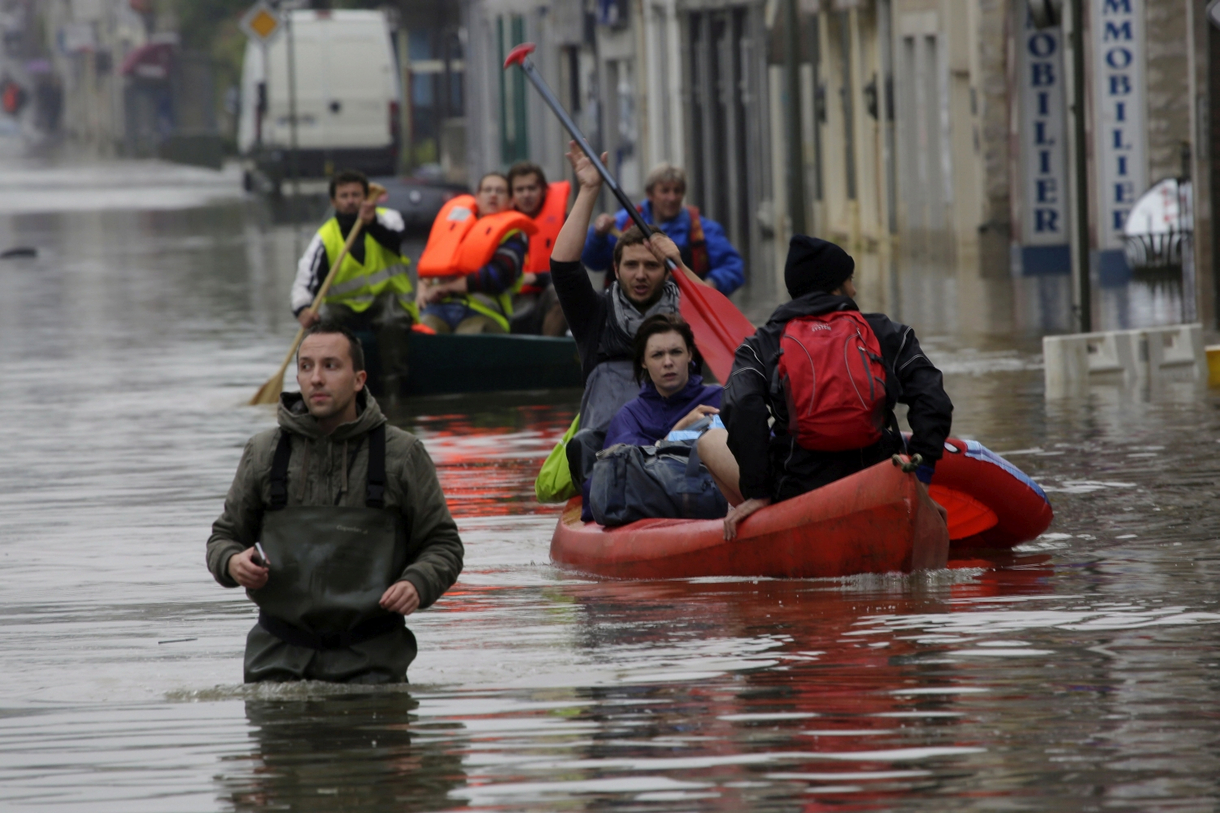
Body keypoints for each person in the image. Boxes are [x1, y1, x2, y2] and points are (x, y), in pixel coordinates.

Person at [207, 322, 464, 683]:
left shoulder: (403, 454)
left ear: (359, 379)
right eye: (306, 367)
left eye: (331, 365)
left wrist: (418, 582)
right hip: (275, 661)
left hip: (374, 663)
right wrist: (232, 562)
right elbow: (223, 539)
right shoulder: (262, 452)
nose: (316, 378)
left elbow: (443, 545)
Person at [697, 235, 954, 540]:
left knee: (709, 440)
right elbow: (933, 399)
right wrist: (921, 479)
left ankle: (761, 525)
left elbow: (740, 407)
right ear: (837, 285)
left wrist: (759, 491)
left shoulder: (761, 343)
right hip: (883, 481)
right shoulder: (886, 332)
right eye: (850, 280)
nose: (855, 290)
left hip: (797, 489)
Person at [550, 141, 707, 488]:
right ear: (616, 269)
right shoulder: (595, 315)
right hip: (610, 454)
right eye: (631, 265)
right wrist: (589, 190)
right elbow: (563, 267)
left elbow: (717, 318)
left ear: (665, 273)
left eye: (651, 266)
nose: (640, 275)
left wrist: (679, 264)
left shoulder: (690, 311)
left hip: (683, 448)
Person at [291, 169, 417, 395]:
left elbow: (396, 240)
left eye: (356, 195)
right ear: (334, 201)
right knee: (323, 329)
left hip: (387, 301)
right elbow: (304, 281)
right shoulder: (324, 237)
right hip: (345, 310)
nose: (351, 201)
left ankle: (395, 391)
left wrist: (371, 224)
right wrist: (302, 309)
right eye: (344, 196)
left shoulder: (387, 218)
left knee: (391, 321)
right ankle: (334, 390)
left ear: (366, 197)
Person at [581, 163, 745, 295]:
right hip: (629, 306)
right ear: (650, 194)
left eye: (677, 191)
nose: (672, 198)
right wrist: (597, 236)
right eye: (665, 191)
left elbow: (733, 268)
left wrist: (711, 284)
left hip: (683, 310)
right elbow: (594, 263)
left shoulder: (704, 229)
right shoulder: (622, 222)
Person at [415, 172, 533, 334]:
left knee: (467, 339)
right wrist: (422, 291)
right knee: (421, 333)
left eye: (499, 191)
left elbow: (498, 275)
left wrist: (447, 288)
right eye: (487, 190)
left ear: (511, 201)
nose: (493, 195)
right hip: (439, 308)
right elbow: (429, 260)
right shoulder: (456, 226)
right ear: (477, 197)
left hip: (486, 311)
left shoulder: (515, 235)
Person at [508, 161, 569, 336]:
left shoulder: (563, 222)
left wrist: (536, 278)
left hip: (545, 297)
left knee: (563, 291)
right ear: (511, 194)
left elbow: (571, 269)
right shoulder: (497, 223)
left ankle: (546, 354)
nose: (526, 195)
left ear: (543, 190)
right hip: (510, 297)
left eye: (531, 188)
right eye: (520, 190)